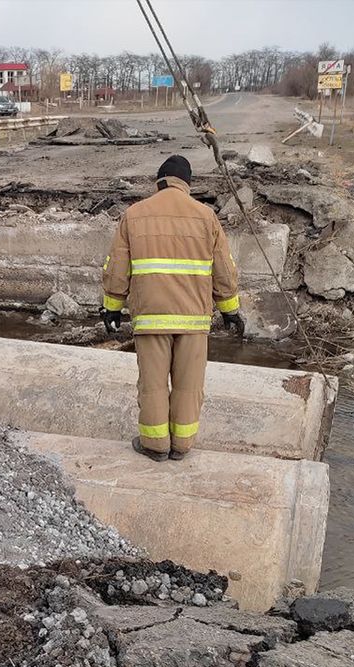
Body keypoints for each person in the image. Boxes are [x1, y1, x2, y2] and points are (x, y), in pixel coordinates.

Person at [100, 154, 246, 462]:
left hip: (151, 317)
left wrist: (112, 307)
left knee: (152, 385)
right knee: (189, 385)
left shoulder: (135, 214)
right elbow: (224, 270)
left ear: (159, 181)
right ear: (187, 184)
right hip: (193, 319)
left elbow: (117, 268)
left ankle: (155, 446)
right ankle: (181, 445)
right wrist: (230, 310)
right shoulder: (206, 217)